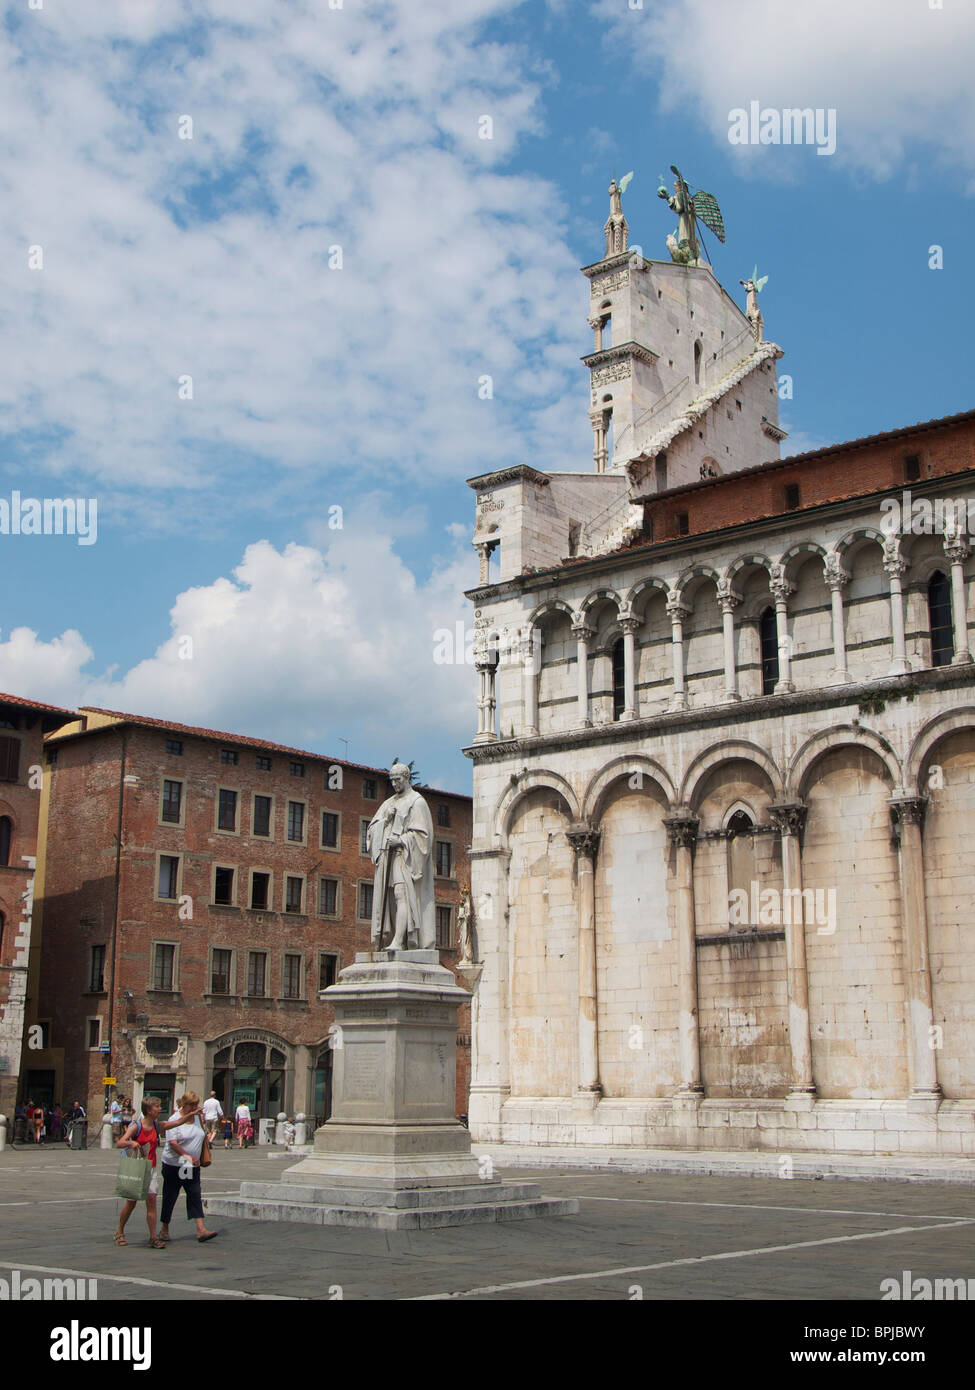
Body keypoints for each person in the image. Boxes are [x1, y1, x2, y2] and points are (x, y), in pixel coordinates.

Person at [366, 761, 436, 950]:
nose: (395, 785)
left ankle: (399, 940)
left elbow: (423, 836)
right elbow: (371, 830)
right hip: (387, 858)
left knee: (401, 896)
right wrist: (385, 820)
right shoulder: (387, 803)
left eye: (397, 780)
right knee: (388, 900)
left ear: (406, 778)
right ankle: (390, 939)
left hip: (404, 858)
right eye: (392, 781)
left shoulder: (417, 802)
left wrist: (402, 840)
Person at [158, 1093, 217, 1244]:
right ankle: (164, 1229)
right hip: (174, 1164)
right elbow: (173, 1143)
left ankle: (200, 1229)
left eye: (195, 1104)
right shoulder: (174, 1119)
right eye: (191, 1104)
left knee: (194, 1194)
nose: (194, 1107)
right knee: (170, 1196)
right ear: (183, 1105)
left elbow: (200, 1135)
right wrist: (187, 1156)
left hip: (190, 1166)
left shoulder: (197, 1118)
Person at [114, 1098, 167, 1248]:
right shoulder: (136, 1126)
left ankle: (153, 1237)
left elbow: (173, 1124)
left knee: (151, 1200)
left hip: (151, 1167)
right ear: (149, 1110)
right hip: (138, 1167)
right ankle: (119, 1231)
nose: (160, 1108)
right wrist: (131, 1142)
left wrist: (191, 1115)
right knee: (131, 1202)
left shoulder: (157, 1126)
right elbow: (120, 1142)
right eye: (157, 1106)